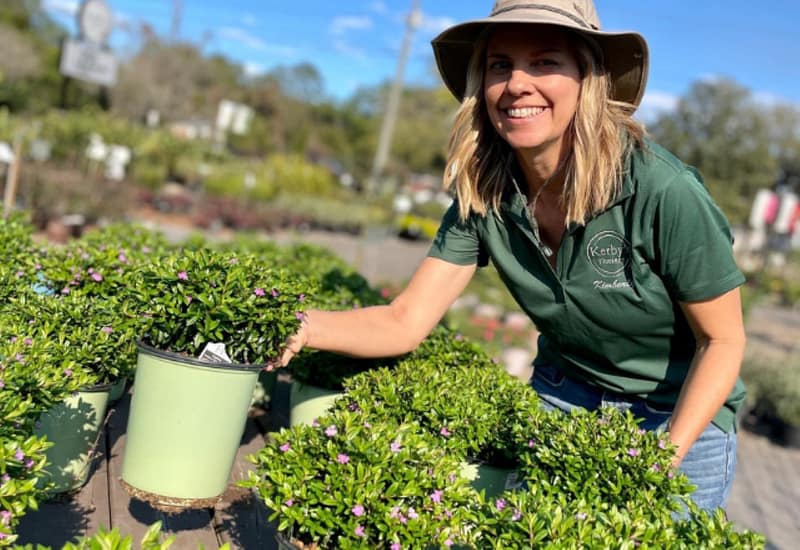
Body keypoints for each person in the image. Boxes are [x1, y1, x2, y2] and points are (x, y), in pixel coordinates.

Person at [275, 0, 746, 513]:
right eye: (501, 64)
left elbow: (721, 339)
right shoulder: (485, 192)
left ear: (587, 78)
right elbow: (404, 321)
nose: (517, 83)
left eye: (545, 61)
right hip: (565, 398)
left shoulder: (662, 190)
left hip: (678, 418)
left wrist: (657, 462)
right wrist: (302, 326)